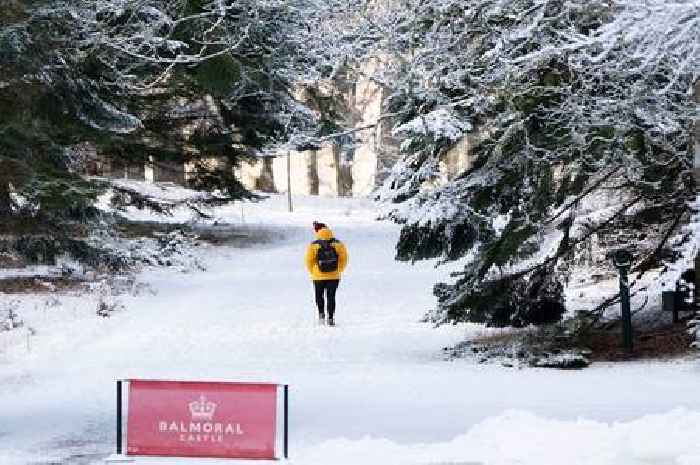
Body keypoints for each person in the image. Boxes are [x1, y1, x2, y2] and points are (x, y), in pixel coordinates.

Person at [305, 221, 348, 326]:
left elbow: (308, 260)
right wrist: (339, 270)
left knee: (319, 296)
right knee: (331, 296)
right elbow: (344, 259)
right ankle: (331, 317)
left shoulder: (314, 245)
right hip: (334, 276)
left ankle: (321, 315)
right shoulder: (338, 244)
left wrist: (313, 271)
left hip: (318, 276)